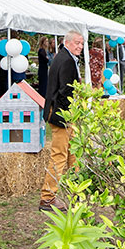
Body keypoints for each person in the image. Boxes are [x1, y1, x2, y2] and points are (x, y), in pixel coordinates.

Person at [40, 31, 85, 212]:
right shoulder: (66, 60)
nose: (80, 46)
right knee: (59, 156)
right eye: (77, 43)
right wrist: (68, 116)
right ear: (67, 42)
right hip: (62, 115)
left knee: (74, 152)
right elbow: (65, 92)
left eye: (82, 43)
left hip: (65, 115)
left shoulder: (66, 56)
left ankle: (77, 189)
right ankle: (47, 198)